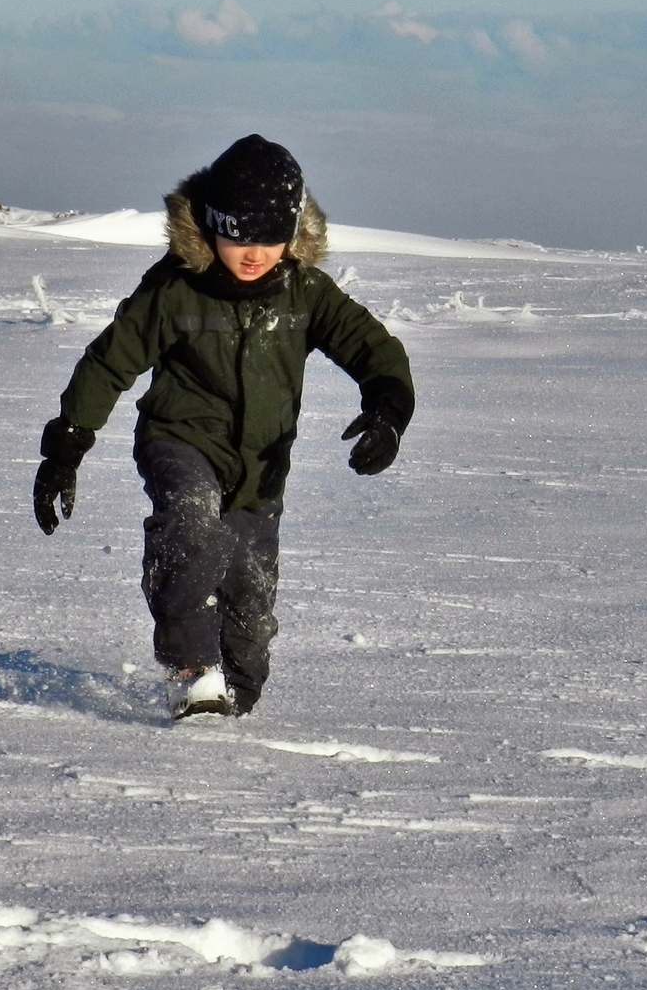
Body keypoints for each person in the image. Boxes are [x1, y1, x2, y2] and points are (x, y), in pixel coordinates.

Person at [32, 135, 415, 720]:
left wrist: (388, 412)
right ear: (212, 226)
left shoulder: (305, 293)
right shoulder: (175, 287)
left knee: (251, 609)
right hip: (180, 439)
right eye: (239, 235)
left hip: (261, 469)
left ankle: (230, 697)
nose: (254, 252)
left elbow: (373, 349)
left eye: (269, 237)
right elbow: (111, 361)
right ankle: (191, 668)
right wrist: (67, 445)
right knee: (191, 524)